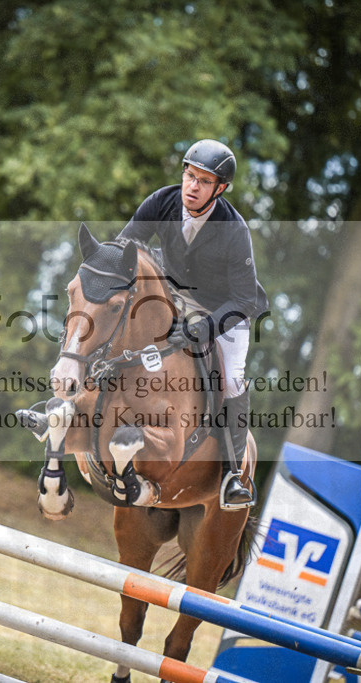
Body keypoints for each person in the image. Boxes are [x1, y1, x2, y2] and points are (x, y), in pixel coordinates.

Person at [118, 139, 268, 508]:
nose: (192, 187)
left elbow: (245, 300)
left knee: (231, 378)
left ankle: (233, 475)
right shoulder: (162, 201)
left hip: (225, 311)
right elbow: (126, 245)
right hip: (173, 296)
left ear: (221, 188)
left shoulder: (234, 230)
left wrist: (205, 328)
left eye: (203, 181)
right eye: (189, 175)